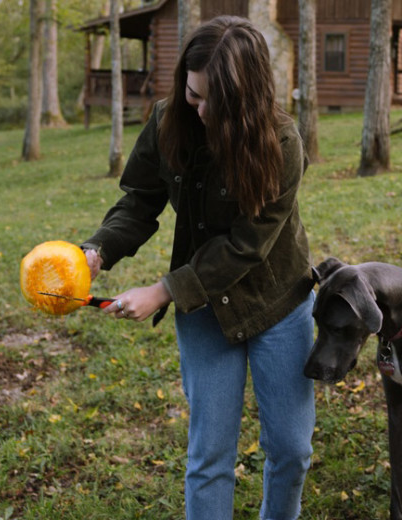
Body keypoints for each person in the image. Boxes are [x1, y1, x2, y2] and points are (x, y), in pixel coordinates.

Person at [80, 16, 316, 520]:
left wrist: (164, 289)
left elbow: (247, 244)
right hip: (205, 309)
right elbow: (140, 199)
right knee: (209, 455)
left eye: (216, 102)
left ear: (247, 98)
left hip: (278, 302)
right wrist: (98, 250)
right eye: (194, 94)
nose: (202, 111)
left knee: (292, 449)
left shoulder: (284, 142)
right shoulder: (170, 120)